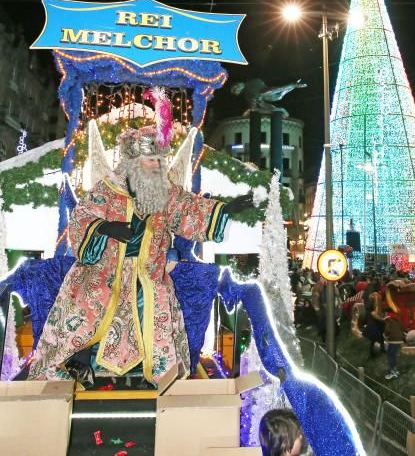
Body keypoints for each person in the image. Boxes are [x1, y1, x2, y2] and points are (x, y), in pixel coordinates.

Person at [28, 103, 253, 387]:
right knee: (89, 309)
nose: (158, 165)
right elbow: (81, 220)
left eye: (160, 160)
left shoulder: (165, 193)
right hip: (102, 274)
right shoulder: (106, 191)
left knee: (154, 310)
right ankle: (78, 366)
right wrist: (104, 228)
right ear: (135, 163)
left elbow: (189, 211)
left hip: (149, 275)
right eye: (152, 160)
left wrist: (228, 208)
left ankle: (155, 381)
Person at [362, 292, 385, 358]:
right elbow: (376, 316)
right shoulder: (371, 309)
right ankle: (375, 354)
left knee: (377, 340)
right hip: (374, 326)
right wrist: (384, 320)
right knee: (376, 340)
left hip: (376, 326)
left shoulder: (372, 307)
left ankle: (376, 353)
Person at [384, 311, 404, 379]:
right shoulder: (397, 320)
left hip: (393, 339)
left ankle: (393, 371)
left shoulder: (388, 320)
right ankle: (395, 370)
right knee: (393, 354)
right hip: (400, 339)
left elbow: (387, 330)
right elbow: (402, 328)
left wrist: (385, 335)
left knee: (390, 355)